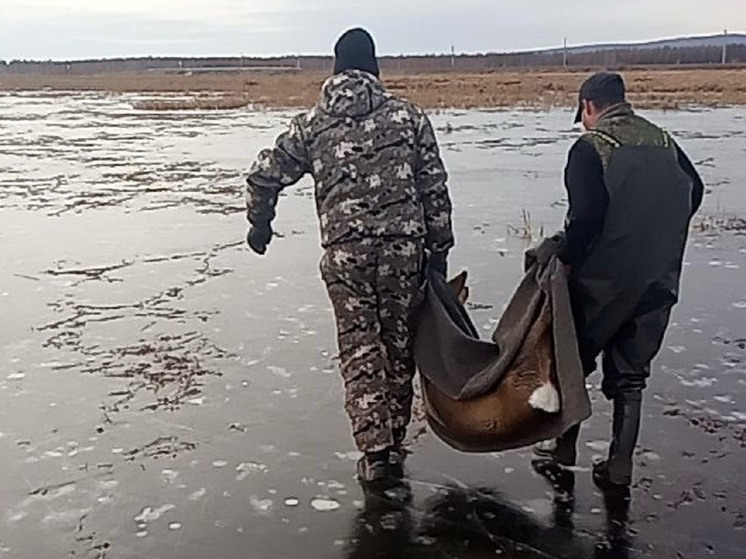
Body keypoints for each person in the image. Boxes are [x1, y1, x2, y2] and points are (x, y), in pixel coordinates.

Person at [245, 28, 454, 483]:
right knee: (398, 345)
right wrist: (439, 253)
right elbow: (434, 189)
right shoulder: (409, 118)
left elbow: (263, 175)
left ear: (335, 69)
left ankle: (375, 454)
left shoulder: (313, 124)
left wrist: (259, 223)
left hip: (346, 257)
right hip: (404, 252)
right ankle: (393, 443)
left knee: (360, 346)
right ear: (375, 68)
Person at [535, 72, 705, 490]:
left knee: (572, 361)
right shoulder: (665, 141)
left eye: (582, 115)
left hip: (603, 282)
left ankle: (563, 446)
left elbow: (586, 219)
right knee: (632, 375)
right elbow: (695, 191)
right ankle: (619, 466)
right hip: (658, 278)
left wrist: (564, 259)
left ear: (588, 106)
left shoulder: (590, 149)